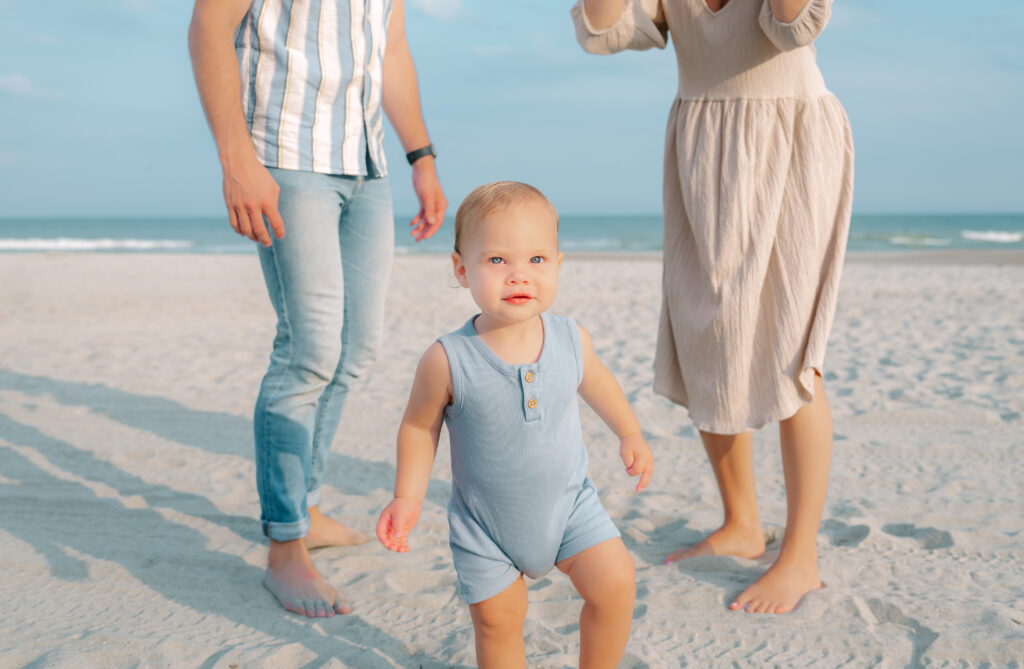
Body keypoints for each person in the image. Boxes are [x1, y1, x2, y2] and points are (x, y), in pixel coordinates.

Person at [572, 0, 853, 615]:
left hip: (790, 138)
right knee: (707, 334)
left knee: (790, 351)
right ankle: (742, 523)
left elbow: (795, 23)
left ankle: (801, 555)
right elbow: (602, 28)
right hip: (702, 148)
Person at [188, 0, 447, 618]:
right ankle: (285, 546)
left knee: (356, 350)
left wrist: (423, 158)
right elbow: (207, 26)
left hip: (366, 164)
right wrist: (236, 160)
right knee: (308, 354)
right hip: (284, 155)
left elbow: (392, 52)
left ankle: (304, 503)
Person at [376, 182, 654, 668]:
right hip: (486, 529)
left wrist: (629, 432)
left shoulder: (570, 338)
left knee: (616, 584)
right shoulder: (448, 359)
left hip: (570, 508)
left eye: (537, 261)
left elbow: (599, 383)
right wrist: (407, 496)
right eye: (498, 261)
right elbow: (419, 429)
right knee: (499, 622)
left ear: (559, 266)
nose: (518, 275)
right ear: (462, 270)